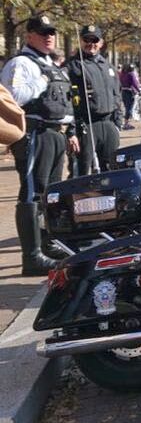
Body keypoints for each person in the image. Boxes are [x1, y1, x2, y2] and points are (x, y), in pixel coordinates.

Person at [0, 15, 77, 275]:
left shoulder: (50, 63)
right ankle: (31, 257)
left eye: (51, 32)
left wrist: (70, 130)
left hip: (55, 133)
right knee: (33, 192)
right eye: (42, 32)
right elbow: (12, 97)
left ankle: (47, 244)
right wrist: (41, 81)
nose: (49, 36)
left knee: (51, 194)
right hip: (35, 134)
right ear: (29, 35)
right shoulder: (21, 63)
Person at [64, 24, 122, 175]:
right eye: (87, 40)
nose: (91, 44)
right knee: (82, 172)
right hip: (85, 126)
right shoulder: (72, 66)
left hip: (108, 125)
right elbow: (67, 100)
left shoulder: (108, 66)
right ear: (80, 41)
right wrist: (71, 131)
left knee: (112, 170)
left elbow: (117, 94)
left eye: (95, 40)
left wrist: (117, 123)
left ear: (101, 43)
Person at [118, 63, 141, 129]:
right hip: (130, 92)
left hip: (123, 92)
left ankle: (126, 122)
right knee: (130, 108)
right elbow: (135, 83)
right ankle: (126, 123)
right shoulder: (131, 74)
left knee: (127, 108)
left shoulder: (122, 74)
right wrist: (139, 90)